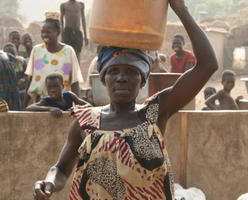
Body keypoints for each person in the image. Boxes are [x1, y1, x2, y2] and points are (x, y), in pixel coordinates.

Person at [33, 0, 218, 199]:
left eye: (131, 71)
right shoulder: (85, 121)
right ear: (103, 77)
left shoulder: (153, 113)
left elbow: (207, 64)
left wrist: (181, 10)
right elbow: (61, 169)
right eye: (113, 71)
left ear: (143, 79)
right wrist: (49, 182)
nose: (121, 77)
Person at [25, 12, 84, 106]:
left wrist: (77, 106)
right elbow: (31, 78)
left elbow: (74, 81)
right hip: (40, 102)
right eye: (42, 32)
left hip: (62, 103)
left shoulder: (68, 51)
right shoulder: (37, 50)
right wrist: (24, 105)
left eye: (48, 32)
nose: (44, 35)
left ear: (57, 32)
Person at [26, 73, 90, 118]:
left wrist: (76, 109)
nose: (52, 90)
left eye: (56, 86)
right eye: (49, 87)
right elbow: (29, 108)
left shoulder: (69, 95)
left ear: (62, 86)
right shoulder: (47, 100)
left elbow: (89, 106)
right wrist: (50, 109)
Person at [3, 42, 27, 109]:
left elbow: (27, 75)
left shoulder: (21, 61)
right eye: (8, 54)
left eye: (12, 53)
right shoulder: (2, 63)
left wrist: (19, 83)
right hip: (7, 92)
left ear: (16, 53)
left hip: (20, 91)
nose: (10, 56)